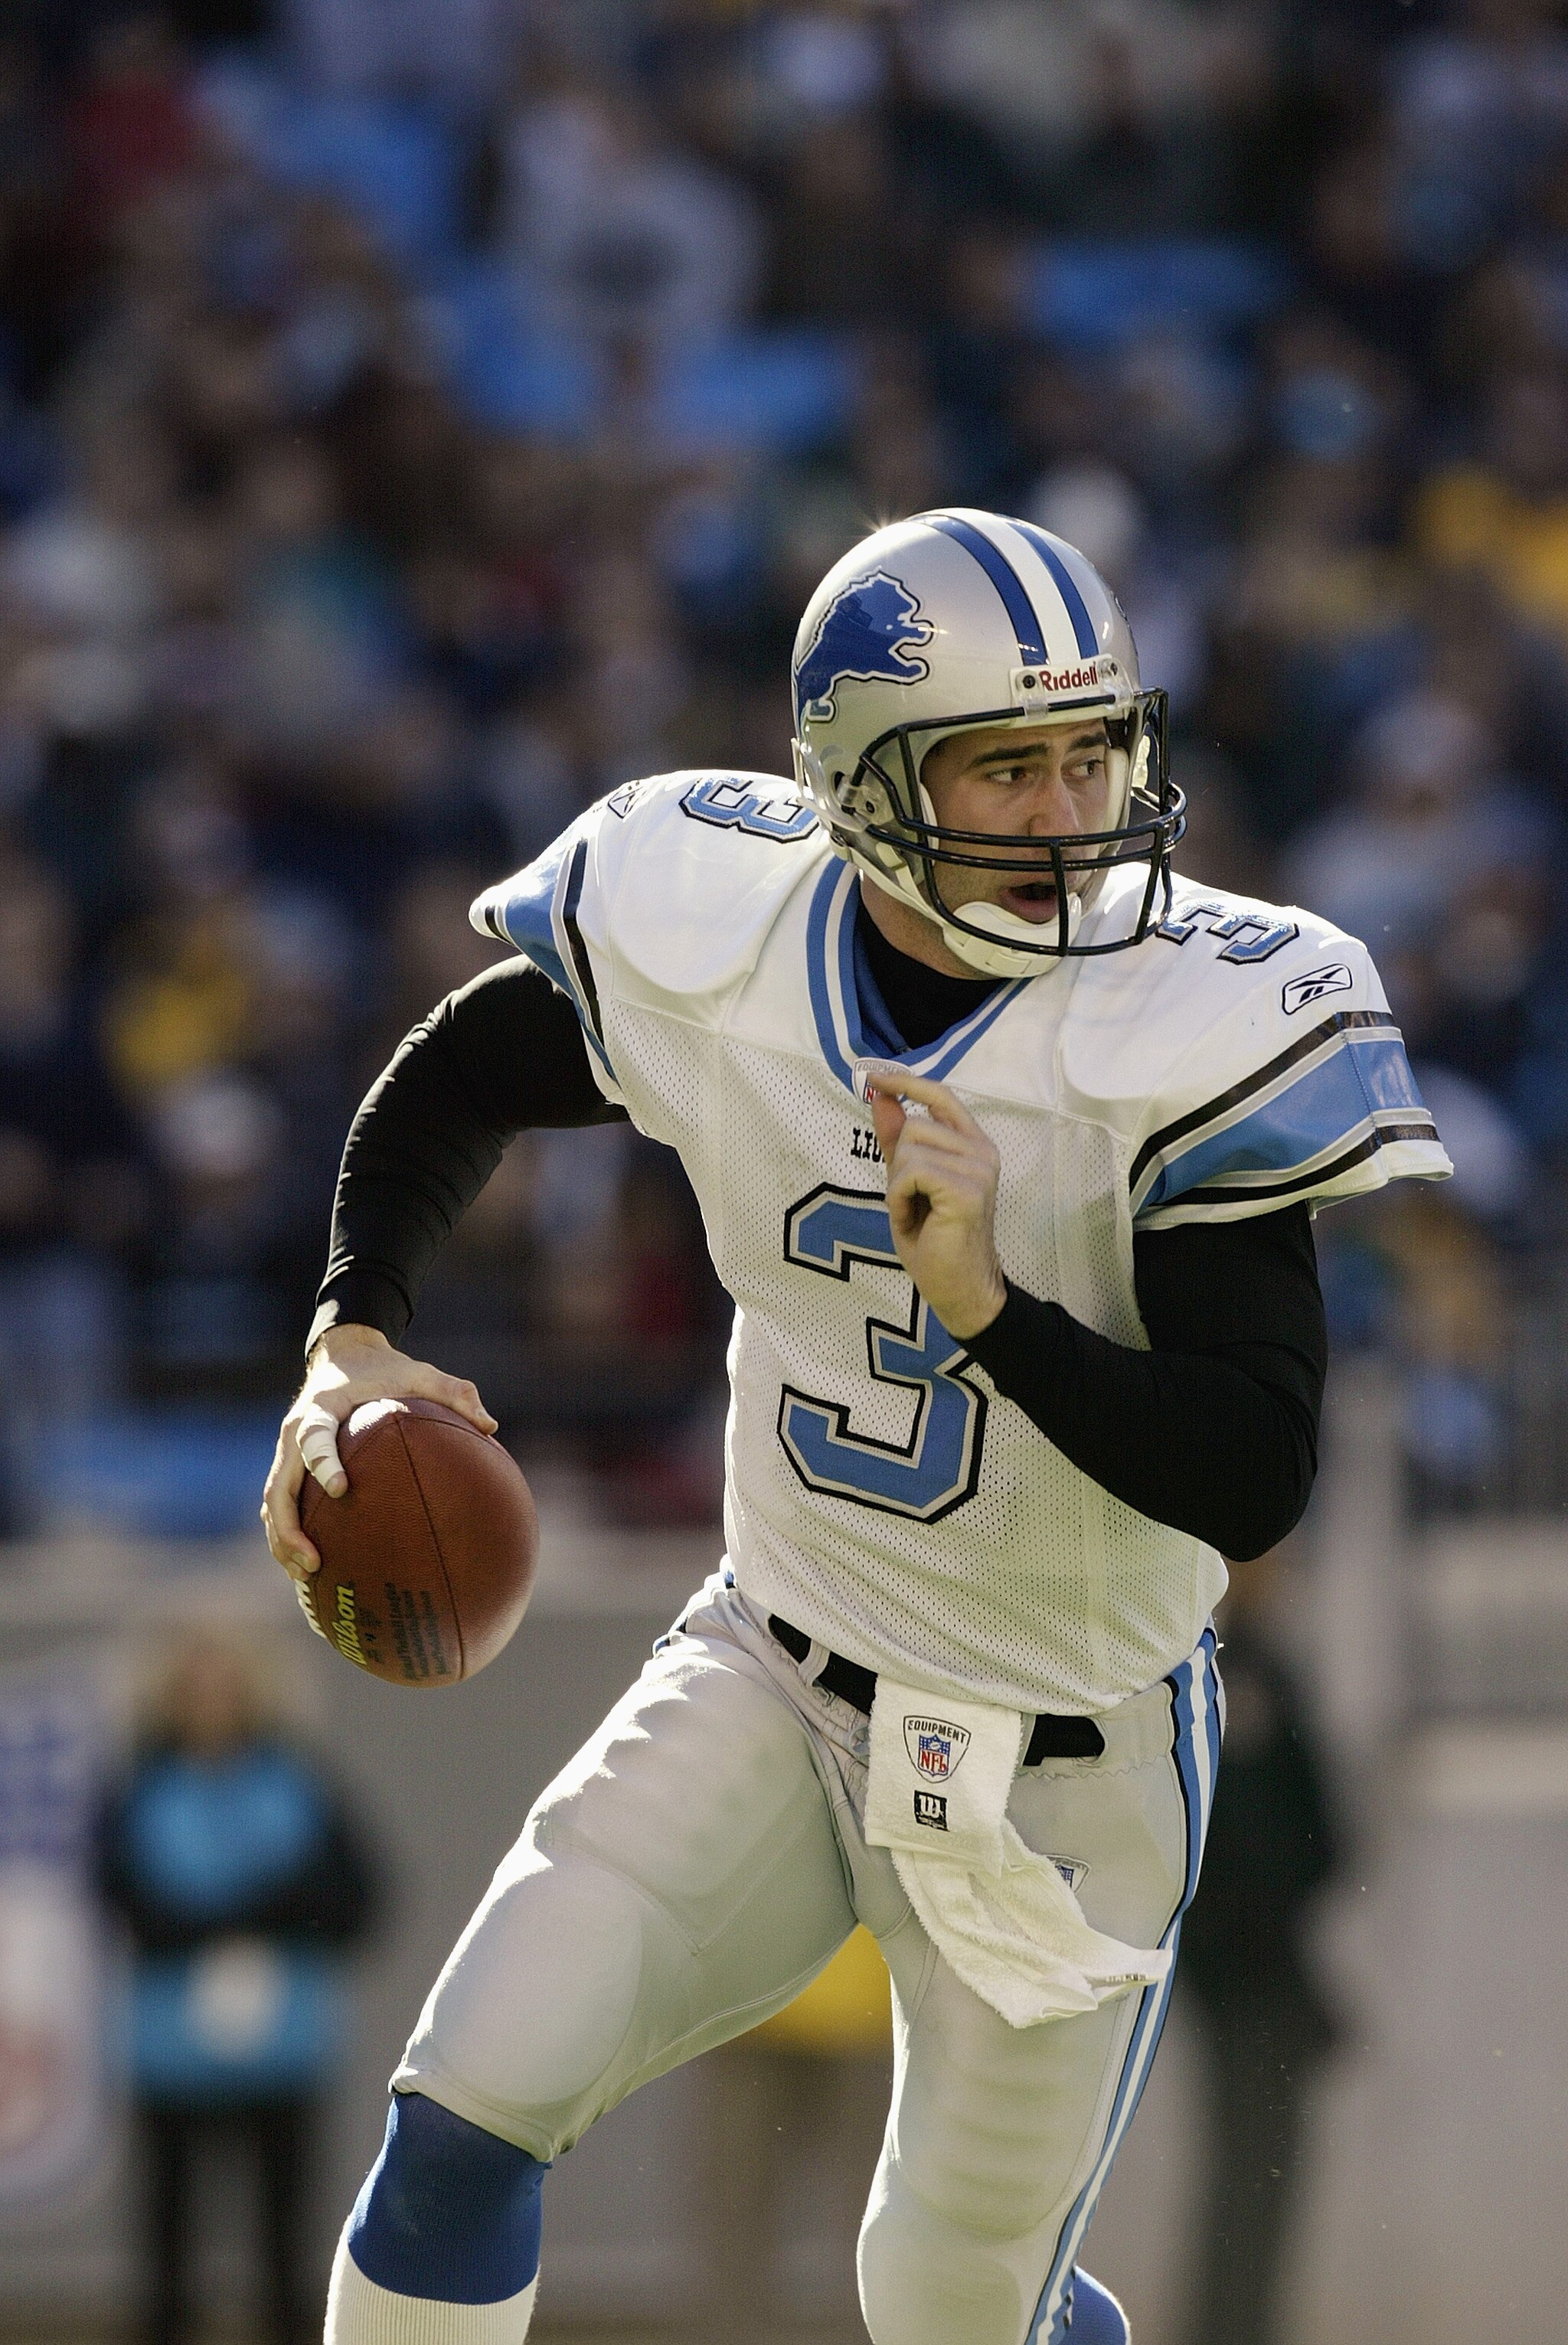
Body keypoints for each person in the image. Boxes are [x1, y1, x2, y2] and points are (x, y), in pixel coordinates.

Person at [261, 508, 1450, 2345]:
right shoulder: (723, 928)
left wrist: (991, 1306)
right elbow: (460, 1072)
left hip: (1063, 1764)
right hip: (771, 1664)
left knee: (949, 2302)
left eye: (1090, 755)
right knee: (460, 2113)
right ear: (858, 785)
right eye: (1006, 765)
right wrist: (354, 1335)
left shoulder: (1187, 1020)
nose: (1067, 813)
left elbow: (1249, 1470)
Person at [95, 1635, 380, 2345]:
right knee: (168, 2241)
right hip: (170, 2051)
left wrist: (239, 1915)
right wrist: (250, 1913)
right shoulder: (140, 1785)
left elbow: (357, 1899)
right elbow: (117, 1898)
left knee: (285, 2240)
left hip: (283, 2047)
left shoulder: (299, 1780)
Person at [1177, 1552, 1342, 2345]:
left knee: (1258, 2187)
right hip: (1241, 1980)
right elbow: (1279, 1841)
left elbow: (1323, 1837)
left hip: (1253, 1976)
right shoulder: (1223, 1675)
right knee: (1249, 2187)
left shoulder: (1252, 1669)